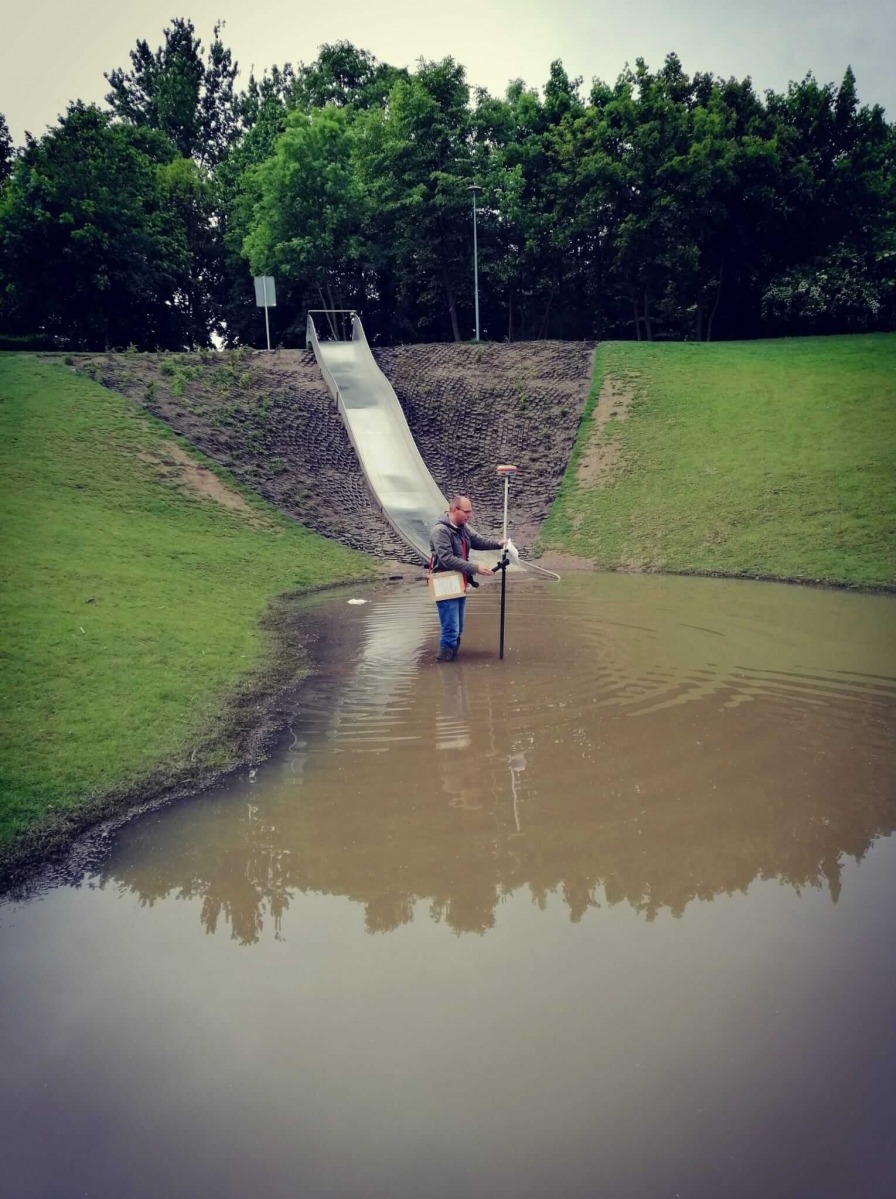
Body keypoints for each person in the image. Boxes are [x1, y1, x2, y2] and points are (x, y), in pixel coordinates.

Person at [429, 495, 504, 662]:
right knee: (451, 628)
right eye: (467, 512)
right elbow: (447, 558)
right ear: (455, 510)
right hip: (444, 581)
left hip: (459, 580)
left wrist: (498, 544)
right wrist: (475, 568)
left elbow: (478, 541)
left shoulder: (462, 527)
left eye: (470, 512)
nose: (469, 515)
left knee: (459, 627)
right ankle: (444, 663)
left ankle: (452, 661)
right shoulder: (440, 531)